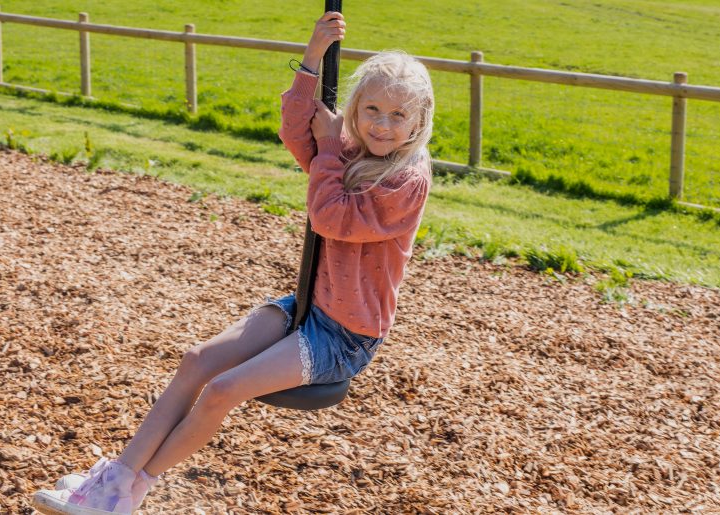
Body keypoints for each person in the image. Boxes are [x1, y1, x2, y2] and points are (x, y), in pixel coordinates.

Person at [32, 10, 433, 514]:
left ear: (419, 121)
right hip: (309, 304)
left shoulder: (405, 180)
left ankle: (135, 489)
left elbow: (331, 217)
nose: (382, 123)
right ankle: (115, 481)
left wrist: (331, 146)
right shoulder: (350, 151)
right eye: (372, 108)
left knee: (222, 390)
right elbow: (296, 131)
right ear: (355, 109)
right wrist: (313, 55)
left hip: (345, 333)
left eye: (399, 115)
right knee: (197, 361)